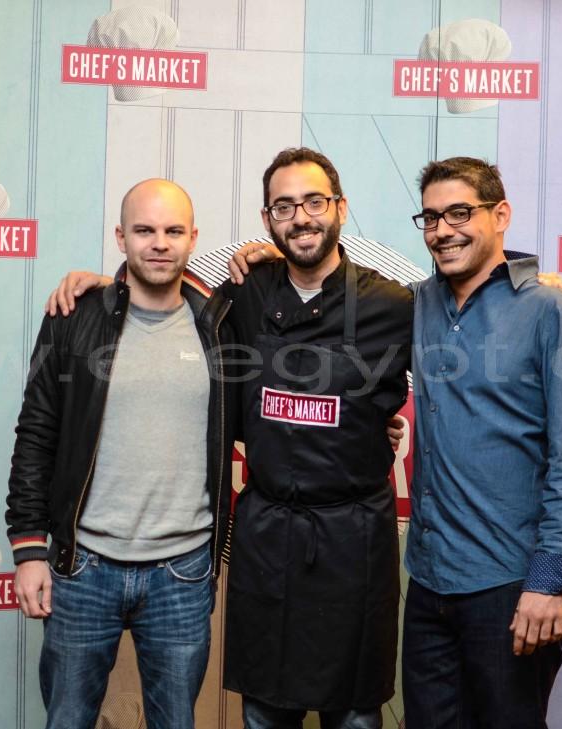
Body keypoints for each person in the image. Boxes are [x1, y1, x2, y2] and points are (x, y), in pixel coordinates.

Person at [47, 148, 413, 729]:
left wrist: (522, 277)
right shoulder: (242, 293)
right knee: (263, 714)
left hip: (353, 543)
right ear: (267, 219)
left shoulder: (393, 304)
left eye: (314, 202)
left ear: (341, 208)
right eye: (284, 206)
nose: (301, 217)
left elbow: (461, 310)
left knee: (355, 717)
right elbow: (160, 284)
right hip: (267, 538)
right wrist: (101, 286)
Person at [5, 178, 236, 729]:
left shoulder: (221, 326)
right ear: (120, 237)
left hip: (183, 571)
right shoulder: (73, 317)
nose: (159, 243)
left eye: (173, 231)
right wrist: (29, 549)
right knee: (68, 719)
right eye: (144, 230)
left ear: (193, 238)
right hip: (84, 567)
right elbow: (36, 434)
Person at [400, 157, 562, 728]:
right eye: (431, 218)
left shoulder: (552, 310)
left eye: (459, 213)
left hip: (511, 587)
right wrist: (267, 259)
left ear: (500, 215)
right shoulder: (416, 304)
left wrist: (550, 582)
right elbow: (339, 290)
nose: (443, 230)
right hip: (429, 583)